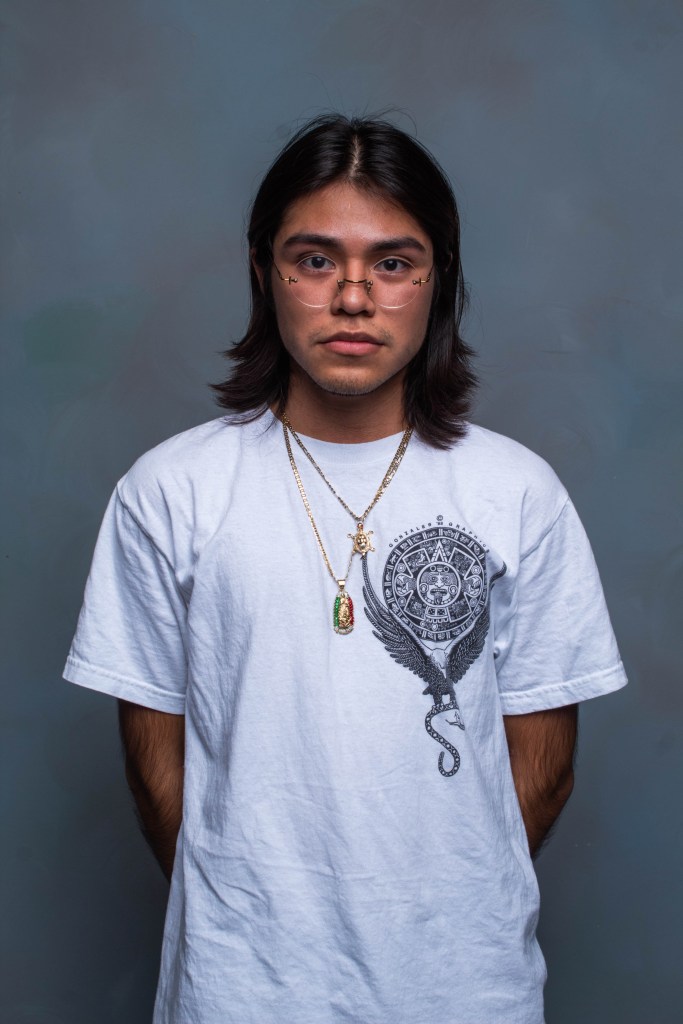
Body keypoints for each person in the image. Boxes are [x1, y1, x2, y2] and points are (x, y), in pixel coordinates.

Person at [63, 114, 627, 1024]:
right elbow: (154, 759)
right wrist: (252, 909)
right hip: (237, 990)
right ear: (263, 271)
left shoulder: (517, 492)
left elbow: (545, 761)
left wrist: (446, 904)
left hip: (465, 990)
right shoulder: (171, 490)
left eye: (393, 262)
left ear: (435, 279)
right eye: (315, 259)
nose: (354, 296)